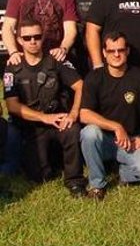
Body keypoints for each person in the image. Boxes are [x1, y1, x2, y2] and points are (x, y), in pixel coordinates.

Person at [3, 19, 86, 197]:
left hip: (59, 120)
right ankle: (50, 163)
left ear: (43, 38)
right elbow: (12, 106)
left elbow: (80, 86)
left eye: (37, 37)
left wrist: (73, 114)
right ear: (19, 40)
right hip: (33, 126)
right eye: (27, 38)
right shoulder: (12, 67)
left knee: (72, 130)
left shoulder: (55, 60)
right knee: (38, 176)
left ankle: (75, 181)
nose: (33, 41)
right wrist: (44, 118)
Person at [79, 32, 140, 200]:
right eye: (111, 51)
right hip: (104, 140)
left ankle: (123, 173)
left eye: (121, 50)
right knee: (89, 133)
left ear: (127, 51)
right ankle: (97, 185)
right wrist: (116, 126)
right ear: (104, 53)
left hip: (131, 141)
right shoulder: (94, 78)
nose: (116, 55)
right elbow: (84, 114)